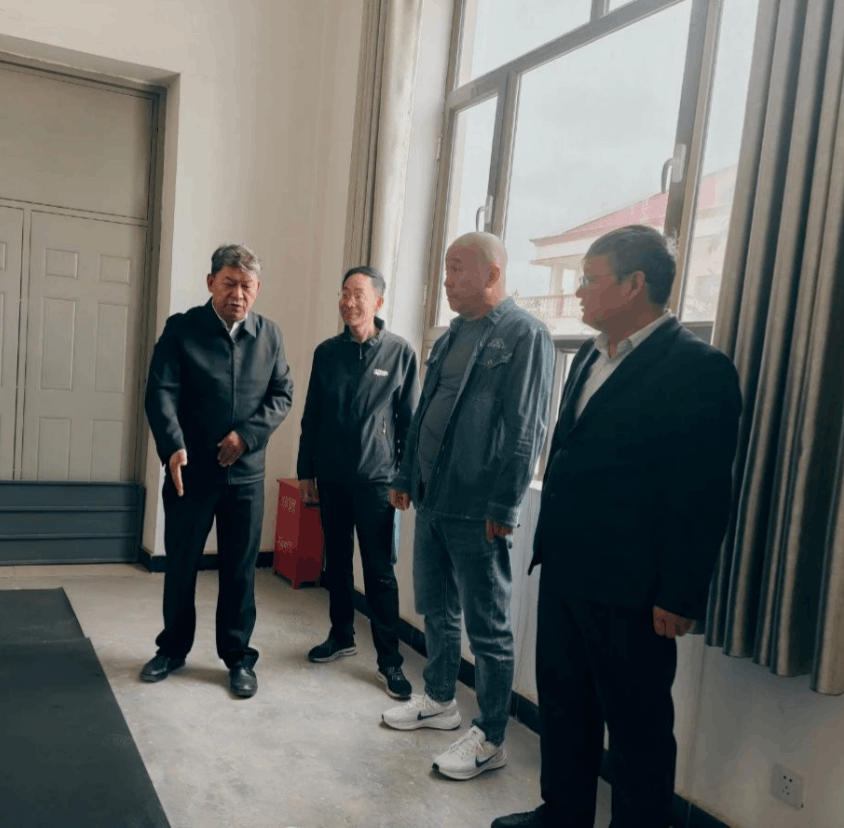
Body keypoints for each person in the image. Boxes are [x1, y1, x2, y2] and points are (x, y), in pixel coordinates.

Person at [491, 225, 741, 828]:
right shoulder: (590, 355)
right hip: (567, 569)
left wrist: (680, 592)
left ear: (634, 285)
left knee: (637, 728)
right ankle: (563, 813)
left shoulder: (697, 368)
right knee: (565, 705)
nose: (578, 291)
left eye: (589, 278)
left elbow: (703, 492)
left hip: (634, 589)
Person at [383, 232, 554, 781]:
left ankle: (492, 737)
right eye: (446, 268)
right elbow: (424, 409)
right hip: (432, 497)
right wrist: (406, 475)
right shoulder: (452, 333)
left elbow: (527, 427)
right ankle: (439, 699)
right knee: (435, 608)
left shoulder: (525, 334)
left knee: (489, 628)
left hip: (478, 506)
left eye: (458, 268)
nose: (447, 280)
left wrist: (505, 503)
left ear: (493, 274)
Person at [140, 243, 293, 699]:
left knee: (240, 571)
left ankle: (238, 658)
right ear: (211, 282)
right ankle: (172, 649)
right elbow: (160, 391)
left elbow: (282, 394)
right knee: (181, 565)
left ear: (258, 288)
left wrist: (247, 436)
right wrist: (172, 445)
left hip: (245, 477)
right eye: (229, 283)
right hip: (191, 474)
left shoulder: (270, 336)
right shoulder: (182, 329)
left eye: (247, 286)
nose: (238, 294)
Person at [296, 266, 419, 700]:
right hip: (331, 477)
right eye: (344, 293)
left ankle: (389, 661)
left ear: (378, 302)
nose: (348, 302)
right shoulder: (327, 353)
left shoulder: (400, 353)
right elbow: (312, 416)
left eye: (358, 295)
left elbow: (409, 423)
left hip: (377, 482)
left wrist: (405, 478)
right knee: (337, 564)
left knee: (380, 572)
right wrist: (306, 471)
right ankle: (341, 635)